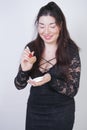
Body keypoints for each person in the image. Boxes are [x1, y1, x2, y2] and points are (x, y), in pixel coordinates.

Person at [14, 1, 81, 130]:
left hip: (61, 114)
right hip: (35, 112)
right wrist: (24, 69)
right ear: (37, 26)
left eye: (52, 26)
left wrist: (50, 79)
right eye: (42, 26)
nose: (46, 31)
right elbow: (19, 85)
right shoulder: (31, 48)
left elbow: (73, 90)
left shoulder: (70, 51)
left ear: (60, 26)